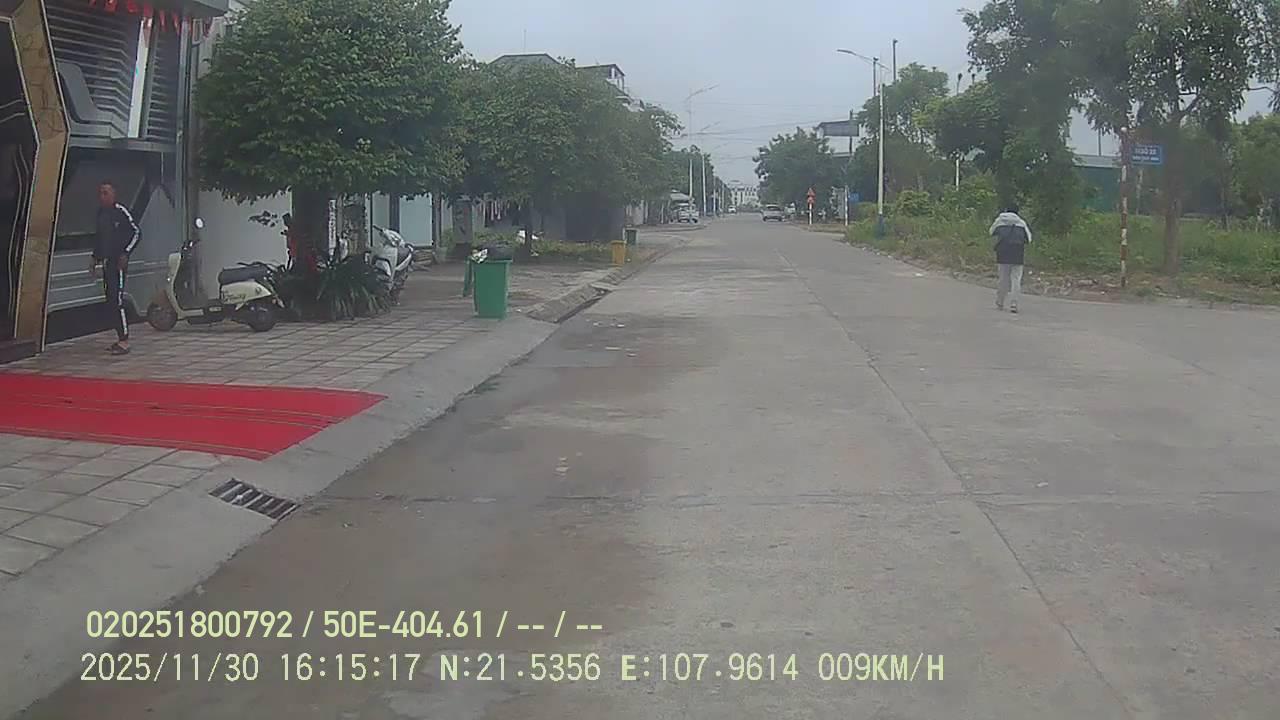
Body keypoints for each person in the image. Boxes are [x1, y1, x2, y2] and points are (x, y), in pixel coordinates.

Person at [89, 181, 139, 354]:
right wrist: (95, 258)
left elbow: (136, 232)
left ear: (113, 194)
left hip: (118, 263)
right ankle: (119, 337)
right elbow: (99, 238)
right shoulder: (101, 214)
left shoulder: (120, 211)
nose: (102, 197)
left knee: (117, 300)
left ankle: (124, 340)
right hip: (107, 262)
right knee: (110, 300)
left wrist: (126, 253)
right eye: (101, 193)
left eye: (106, 193)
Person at [989, 203, 1031, 313]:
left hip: (1003, 252)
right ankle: (1014, 304)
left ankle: (1000, 301)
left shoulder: (999, 221)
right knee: (1016, 279)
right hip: (1018, 253)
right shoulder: (1021, 223)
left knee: (1003, 278)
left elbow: (991, 232)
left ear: (1006, 210)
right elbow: (1029, 239)